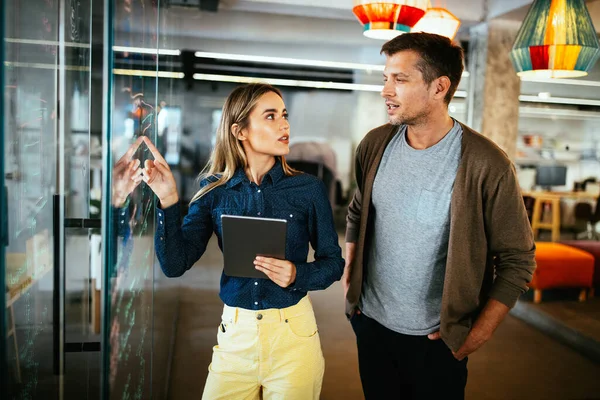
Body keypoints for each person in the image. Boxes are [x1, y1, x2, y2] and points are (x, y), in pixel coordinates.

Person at [342, 32, 536, 399]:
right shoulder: (375, 144)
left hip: (436, 343)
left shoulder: (486, 164)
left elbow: (518, 260)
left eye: (400, 80)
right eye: (386, 78)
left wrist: (476, 334)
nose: (386, 90)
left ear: (439, 87)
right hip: (370, 325)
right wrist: (351, 269)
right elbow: (358, 209)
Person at [132, 83, 343, 399]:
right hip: (236, 335)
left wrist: (297, 275)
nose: (284, 124)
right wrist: (168, 199)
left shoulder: (307, 190)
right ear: (239, 130)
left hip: (293, 336)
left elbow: (333, 262)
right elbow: (175, 265)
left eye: (284, 115)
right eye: (270, 116)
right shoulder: (214, 190)